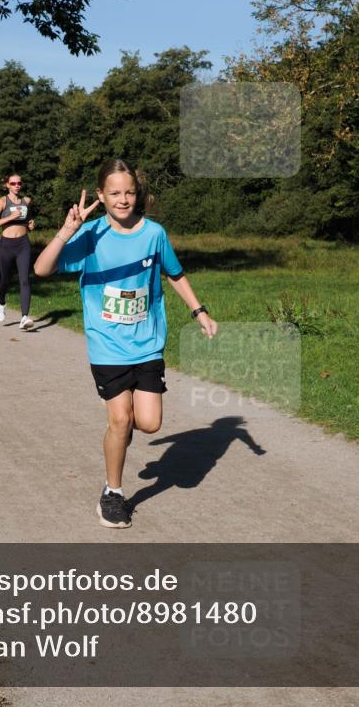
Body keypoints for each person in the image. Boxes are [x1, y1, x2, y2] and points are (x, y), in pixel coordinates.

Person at [34, 158, 218, 529]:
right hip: (107, 345)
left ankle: (121, 435)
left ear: (139, 194)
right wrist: (66, 231)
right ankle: (112, 493)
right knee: (120, 420)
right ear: (101, 196)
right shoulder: (91, 235)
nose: (123, 199)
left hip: (147, 342)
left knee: (148, 424)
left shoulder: (154, 234)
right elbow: (41, 269)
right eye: (115, 193)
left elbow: (174, 274)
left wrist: (200, 311)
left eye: (130, 192)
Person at [0, 173, 36, 331]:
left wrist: (31, 224)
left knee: (24, 280)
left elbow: (28, 220)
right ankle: (1, 301)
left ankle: (24, 317)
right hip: (6, 244)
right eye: (13, 183)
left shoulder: (26, 201)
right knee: (5, 280)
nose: (17, 186)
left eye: (19, 183)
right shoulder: (2, 202)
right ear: (7, 185)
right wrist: (9, 218)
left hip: (23, 244)